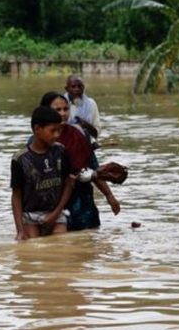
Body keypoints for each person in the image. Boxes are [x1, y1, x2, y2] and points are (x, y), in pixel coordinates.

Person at [40, 92, 121, 231]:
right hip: (53, 207)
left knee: (87, 244)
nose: (63, 113)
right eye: (58, 110)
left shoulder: (79, 134)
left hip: (83, 206)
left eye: (66, 109)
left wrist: (109, 196)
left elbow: (92, 167)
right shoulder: (39, 140)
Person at [11, 106, 76, 240]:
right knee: (33, 248)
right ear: (37, 130)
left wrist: (55, 214)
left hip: (57, 213)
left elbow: (68, 184)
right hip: (30, 216)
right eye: (52, 131)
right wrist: (19, 230)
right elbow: (16, 195)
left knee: (61, 246)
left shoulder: (60, 151)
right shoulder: (20, 159)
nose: (57, 135)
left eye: (59, 130)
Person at [64, 75, 100, 139]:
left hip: (85, 140)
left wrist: (85, 124)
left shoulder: (91, 104)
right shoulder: (60, 103)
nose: (77, 89)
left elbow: (96, 132)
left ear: (83, 88)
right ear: (67, 89)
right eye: (73, 86)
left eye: (79, 86)